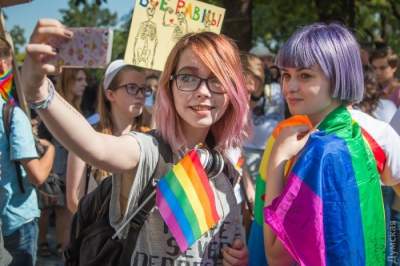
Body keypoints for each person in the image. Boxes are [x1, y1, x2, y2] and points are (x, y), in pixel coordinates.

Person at [21, 19, 249, 265]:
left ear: (232, 91)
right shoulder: (149, 151)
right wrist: (39, 91)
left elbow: (225, 246)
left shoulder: (224, 168)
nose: (203, 91)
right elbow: (95, 146)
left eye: (217, 80)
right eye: (188, 77)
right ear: (169, 86)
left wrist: (235, 258)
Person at [263, 23, 388, 265]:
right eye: (286, 75)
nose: (290, 86)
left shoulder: (321, 151)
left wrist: (277, 158)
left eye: (305, 75)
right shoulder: (353, 135)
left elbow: (276, 256)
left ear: (338, 76)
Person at [66, 59, 153, 214]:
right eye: (132, 88)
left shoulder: (151, 138)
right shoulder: (87, 137)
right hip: (101, 233)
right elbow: (74, 200)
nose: (141, 95)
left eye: (144, 89)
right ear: (110, 94)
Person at [0, 35, 55, 266]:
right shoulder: (12, 114)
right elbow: (38, 175)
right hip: (16, 219)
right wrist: (51, 149)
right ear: (4, 65)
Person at [37, 68, 88, 256]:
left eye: (85, 79)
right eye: (79, 79)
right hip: (51, 167)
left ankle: (62, 245)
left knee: (65, 208)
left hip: (70, 167)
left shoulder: (81, 107)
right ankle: (42, 243)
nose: (85, 83)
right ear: (68, 81)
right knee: (45, 208)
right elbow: (43, 138)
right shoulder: (54, 106)